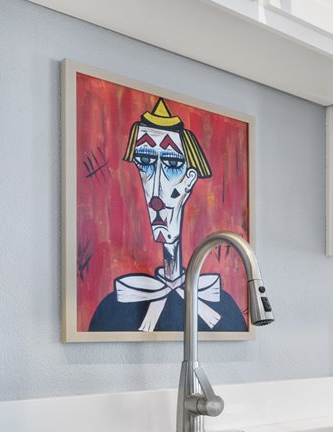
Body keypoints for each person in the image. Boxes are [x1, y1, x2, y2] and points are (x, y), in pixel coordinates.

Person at [88, 98, 248, 333]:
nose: (156, 190)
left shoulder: (227, 312)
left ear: (189, 180)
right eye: (145, 163)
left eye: (172, 164)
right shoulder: (111, 311)